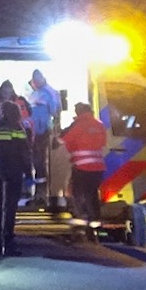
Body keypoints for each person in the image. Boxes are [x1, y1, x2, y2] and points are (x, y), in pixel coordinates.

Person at [0, 101, 32, 256]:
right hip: (12, 169)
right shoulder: (17, 129)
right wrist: (29, 173)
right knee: (9, 207)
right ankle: (8, 244)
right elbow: (24, 153)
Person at [59, 102, 108, 238]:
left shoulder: (78, 124)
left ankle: (83, 223)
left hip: (82, 166)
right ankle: (96, 225)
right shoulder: (99, 124)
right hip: (98, 166)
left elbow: (63, 139)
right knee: (92, 194)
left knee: (77, 194)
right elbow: (103, 142)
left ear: (78, 112)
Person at [25, 69, 62, 206]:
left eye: (34, 81)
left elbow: (55, 113)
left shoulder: (48, 93)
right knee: (35, 163)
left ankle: (41, 195)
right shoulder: (38, 93)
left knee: (39, 163)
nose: (33, 83)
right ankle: (36, 194)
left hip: (41, 133)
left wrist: (54, 132)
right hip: (34, 132)